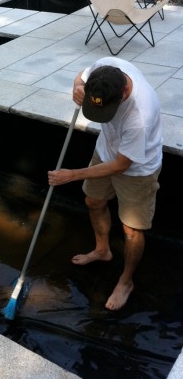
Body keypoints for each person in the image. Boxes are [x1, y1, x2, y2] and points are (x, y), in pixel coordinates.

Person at [48, 57, 163, 311]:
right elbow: (81, 75)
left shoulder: (140, 115)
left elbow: (122, 165)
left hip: (137, 167)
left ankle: (126, 281)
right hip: (107, 151)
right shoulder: (105, 68)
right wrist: (77, 87)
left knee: (132, 228)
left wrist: (72, 174)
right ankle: (103, 250)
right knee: (94, 201)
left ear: (123, 92)